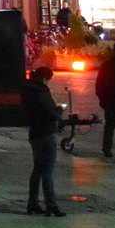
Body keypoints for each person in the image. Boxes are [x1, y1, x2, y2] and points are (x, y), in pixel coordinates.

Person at [21, 67, 66, 213]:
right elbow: (50, 114)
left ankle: (33, 203)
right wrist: (60, 109)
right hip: (46, 133)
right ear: (46, 79)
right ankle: (51, 205)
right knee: (47, 171)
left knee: (38, 170)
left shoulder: (28, 90)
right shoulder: (41, 92)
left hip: (35, 133)